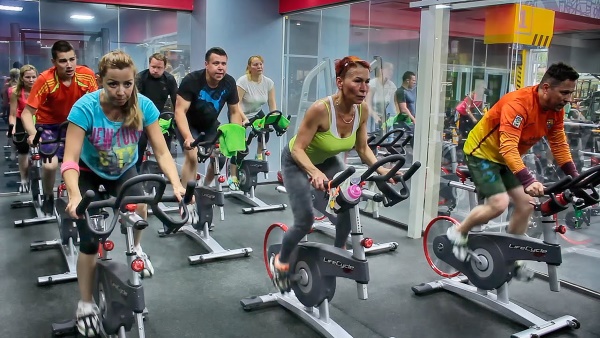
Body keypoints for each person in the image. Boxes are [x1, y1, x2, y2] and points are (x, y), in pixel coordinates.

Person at [61, 50, 188, 337]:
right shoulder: (85, 108)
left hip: (125, 170)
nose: (121, 91)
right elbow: (69, 158)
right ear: (100, 82)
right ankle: (85, 303)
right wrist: (73, 194)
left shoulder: (144, 106)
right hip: (89, 171)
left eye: (128, 84)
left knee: (140, 207)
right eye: (113, 84)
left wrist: (177, 184)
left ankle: (137, 247)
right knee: (90, 239)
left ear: (134, 82)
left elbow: (161, 150)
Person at [270, 56, 391, 293]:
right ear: (339, 82)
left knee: (347, 209)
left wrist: (382, 169)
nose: (364, 87)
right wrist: (312, 172)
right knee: (305, 220)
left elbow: (363, 148)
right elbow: (297, 148)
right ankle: (281, 262)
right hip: (296, 161)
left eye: (366, 82)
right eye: (357, 81)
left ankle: (336, 258)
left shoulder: (362, 110)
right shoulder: (320, 109)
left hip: (327, 162)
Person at [447, 63, 580, 276]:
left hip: (508, 158)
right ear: (546, 88)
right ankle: (458, 232)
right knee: (499, 204)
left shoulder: (555, 111)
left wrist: (575, 176)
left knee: (527, 204)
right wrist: (528, 180)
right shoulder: (518, 104)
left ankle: (512, 254)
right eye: (564, 93)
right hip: (482, 153)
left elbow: (559, 144)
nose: (568, 99)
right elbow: (507, 146)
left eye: (570, 93)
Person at [21, 40, 98, 214]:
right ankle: (48, 195)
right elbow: (27, 113)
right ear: (54, 63)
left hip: (75, 124)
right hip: (48, 126)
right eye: (63, 61)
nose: (69, 65)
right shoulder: (45, 80)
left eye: (72, 59)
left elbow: (96, 105)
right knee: (49, 165)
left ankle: (78, 196)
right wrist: (33, 134)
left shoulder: (86, 75)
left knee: (82, 162)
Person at [174, 47, 244, 189]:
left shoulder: (229, 82)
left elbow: (234, 111)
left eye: (223, 64)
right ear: (206, 64)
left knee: (222, 155)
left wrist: (235, 134)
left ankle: (206, 187)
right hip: (189, 124)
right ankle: (186, 199)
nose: (220, 68)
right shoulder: (192, 80)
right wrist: (188, 137)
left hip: (210, 124)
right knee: (192, 157)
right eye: (216, 63)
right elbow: (180, 111)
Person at [228, 55, 277, 190]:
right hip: (239, 112)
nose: (259, 67)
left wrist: (275, 118)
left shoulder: (268, 83)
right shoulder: (243, 82)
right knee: (240, 147)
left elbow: (272, 104)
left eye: (261, 64)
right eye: (255, 65)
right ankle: (232, 176)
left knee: (265, 130)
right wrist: (244, 118)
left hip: (256, 113)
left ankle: (258, 155)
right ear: (249, 67)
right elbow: (235, 104)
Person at [135, 52, 178, 171]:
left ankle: (164, 170)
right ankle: (137, 169)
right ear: (149, 65)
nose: (155, 70)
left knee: (165, 139)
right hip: (141, 116)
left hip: (160, 115)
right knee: (140, 142)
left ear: (164, 67)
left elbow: (176, 101)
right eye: (153, 67)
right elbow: (136, 100)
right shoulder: (140, 77)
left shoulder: (169, 79)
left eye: (159, 68)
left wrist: (176, 119)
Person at [8, 65, 38, 192]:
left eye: (33, 77)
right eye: (28, 77)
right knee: (23, 150)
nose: (31, 80)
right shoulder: (16, 92)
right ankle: (24, 179)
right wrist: (12, 127)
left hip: (39, 120)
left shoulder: (42, 90)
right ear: (22, 78)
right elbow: (13, 114)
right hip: (21, 121)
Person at [366, 61, 397, 133]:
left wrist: (397, 117)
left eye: (392, 70)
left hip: (384, 119)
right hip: (370, 118)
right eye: (388, 69)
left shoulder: (391, 85)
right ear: (381, 70)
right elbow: (367, 105)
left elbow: (394, 105)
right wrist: (375, 116)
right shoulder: (372, 84)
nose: (390, 72)